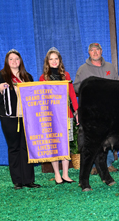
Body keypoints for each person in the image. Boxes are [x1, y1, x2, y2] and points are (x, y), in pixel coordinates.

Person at [0, 49, 41, 189]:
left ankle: (28, 180)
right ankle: (17, 181)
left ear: (20, 61)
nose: (14, 62)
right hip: (9, 117)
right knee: (14, 147)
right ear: (7, 61)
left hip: (26, 117)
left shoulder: (27, 77)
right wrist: (0, 90)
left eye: (16, 59)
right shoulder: (0, 77)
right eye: (11, 59)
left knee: (26, 148)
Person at [73, 43, 119, 173]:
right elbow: (76, 87)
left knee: (109, 135)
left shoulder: (110, 67)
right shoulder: (83, 69)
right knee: (93, 136)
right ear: (89, 53)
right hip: (92, 110)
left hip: (109, 108)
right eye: (92, 50)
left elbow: (118, 84)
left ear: (101, 51)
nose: (95, 52)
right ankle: (93, 166)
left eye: (97, 50)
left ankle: (108, 163)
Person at [39, 47, 78, 184]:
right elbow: (40, 98)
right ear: (47, 62)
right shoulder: (43, 78)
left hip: (66, 115)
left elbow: (72, 94)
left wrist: (76, 111)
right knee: (54, 145)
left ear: (59, 61)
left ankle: (66, 174)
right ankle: (57, 174)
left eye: (56, 59)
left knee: (65, 145)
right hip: (51, 116)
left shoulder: (66, 75)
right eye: (51, 59)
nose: (54, 61)